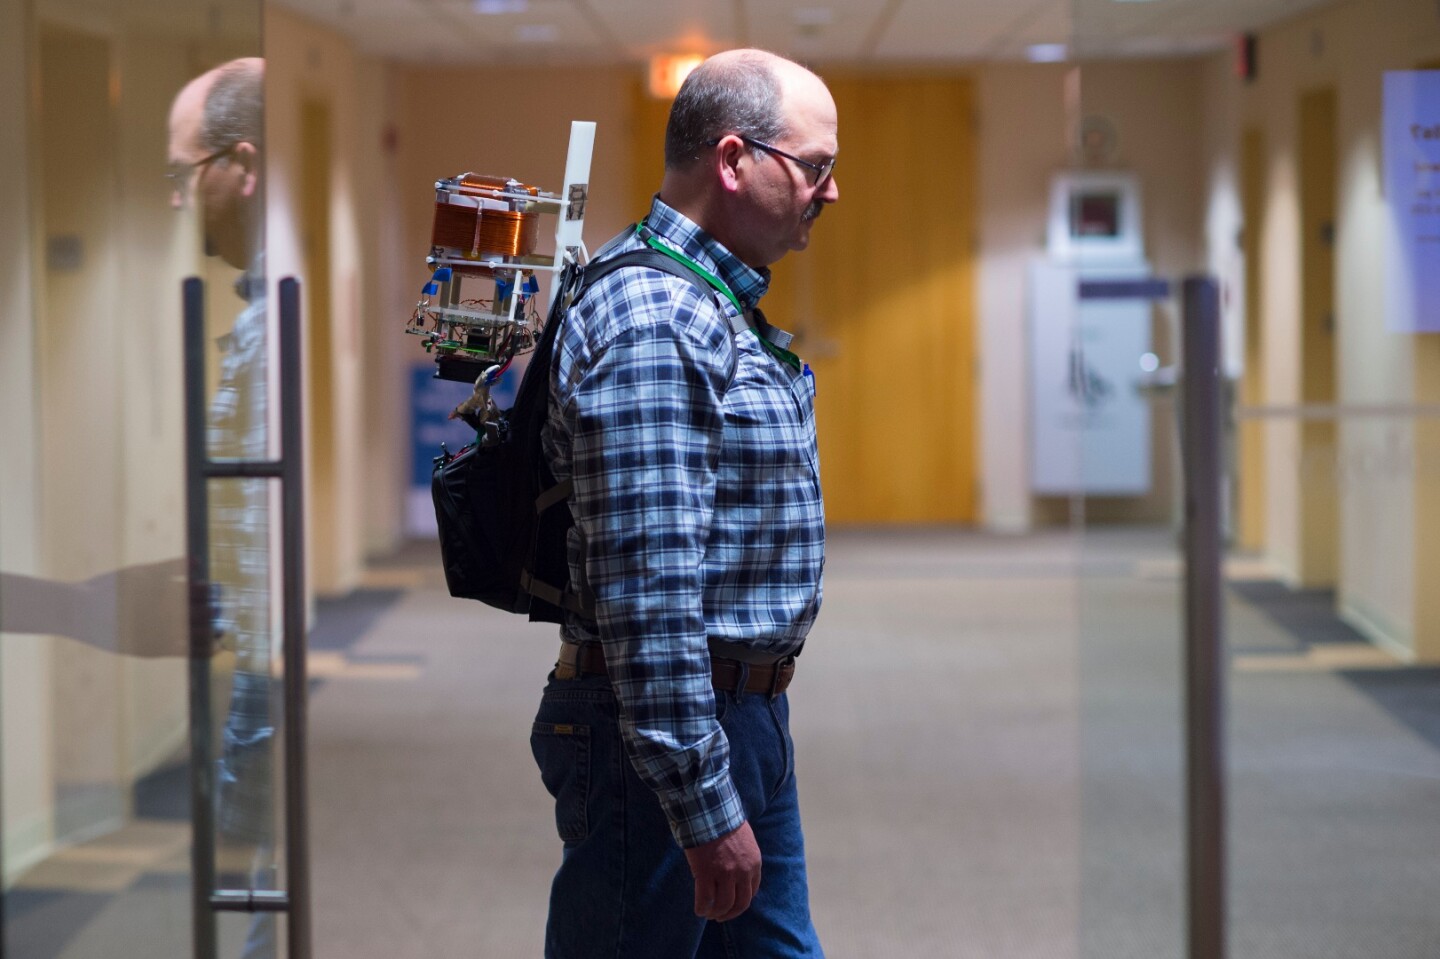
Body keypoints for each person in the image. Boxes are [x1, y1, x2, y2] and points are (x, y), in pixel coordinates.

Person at [532, 48, 839, 958]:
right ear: (735, 161)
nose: (830, 193)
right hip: (666, 735)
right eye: (815, 166)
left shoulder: (706, 302)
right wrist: (701, 802)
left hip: (733, 720)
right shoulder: (657, 318)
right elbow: (649, 587)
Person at [168, 56, 275, 959]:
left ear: (239, 165)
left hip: (270, 672)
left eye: (184, 173)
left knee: (261, 905)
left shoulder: (272, 315)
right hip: (258, 658)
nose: (178, 199)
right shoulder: (256, 310)